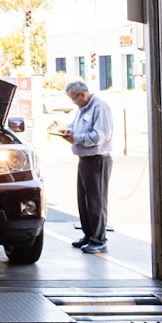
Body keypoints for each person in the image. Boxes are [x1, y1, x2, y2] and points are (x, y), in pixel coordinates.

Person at [59, 80, 114, 254]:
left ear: (82, 94)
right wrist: (69, 131)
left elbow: (99, 136)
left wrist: (75, 138)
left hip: (97, 159)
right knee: (84, 200)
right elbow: (76, 126)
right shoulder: (82, 109)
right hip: (84, 159)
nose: (74, 103)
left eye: (74, 99)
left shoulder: (100, 108)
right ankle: (88, 235)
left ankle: (99, 239)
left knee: (96, 201)